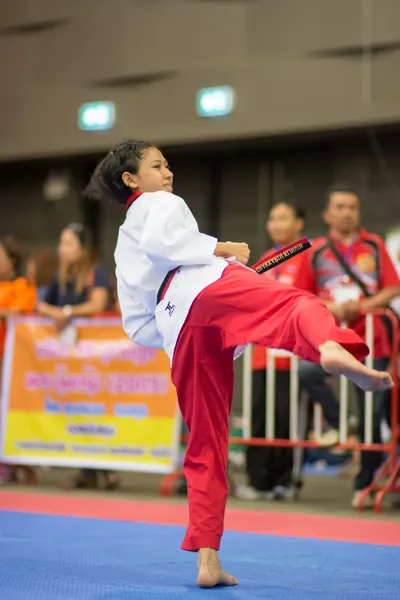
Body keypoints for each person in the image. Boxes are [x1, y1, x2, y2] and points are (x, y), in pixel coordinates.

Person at [85, 140, 393, 589]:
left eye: (168, 164)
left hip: (177, 325)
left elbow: (137, 319)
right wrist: (222, 249)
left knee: (206, 443)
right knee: (295, 305)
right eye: (157, 165)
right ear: (132, 179)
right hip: (209, 287)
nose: (168, 173)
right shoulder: (157, 203)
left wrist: (178, 322)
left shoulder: (122, 243)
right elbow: (165, 243)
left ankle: (207, 561)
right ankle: (329, 346)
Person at [294, 183, 400, 508]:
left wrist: (362, 308)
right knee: (308, 372)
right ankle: (342, 423)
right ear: (328, 213)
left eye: (351, 207)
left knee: (372, 408)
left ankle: (364, 483)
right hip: (330, 335)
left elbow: (392, 288)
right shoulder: (315, 251)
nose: (346, 213)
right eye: (339, 207)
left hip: (372, 337)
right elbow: (302, 294)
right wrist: (331, 309)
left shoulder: (373, 244)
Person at [37, 223, 118, 491]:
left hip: (97, 355)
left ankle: (107, 470)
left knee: (99, 409)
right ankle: (87, 471)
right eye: (61, 243)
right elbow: (41, 304)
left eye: (69, 243)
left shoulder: (96, 271)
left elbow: (97, 304)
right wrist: (53, 312)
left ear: (83, 249)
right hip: (71, 358)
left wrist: (67, 312)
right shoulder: (59, 277)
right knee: (78, 408)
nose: (63, 249)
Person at [236, 201, 306, 502]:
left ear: (299, 223)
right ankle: (259, 482)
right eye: (272, 218)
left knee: (286, 418)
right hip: (261, 353)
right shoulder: (266, 258)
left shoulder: (308, 255)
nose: (276, 223)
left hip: (293, 355)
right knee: (259, 417)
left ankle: (285, 481)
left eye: (283, 218)